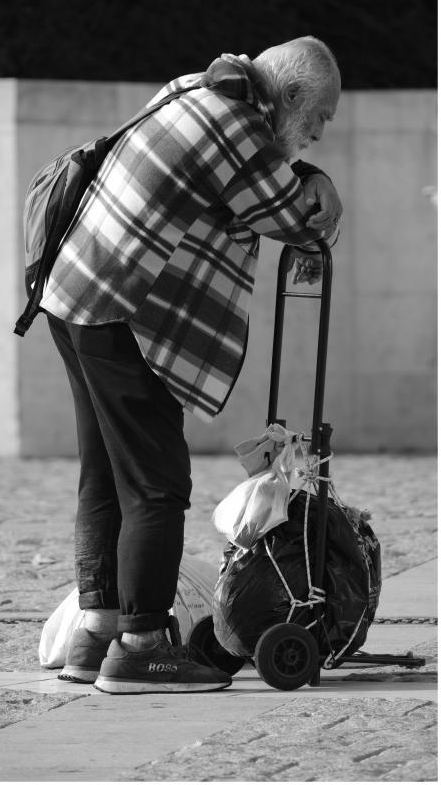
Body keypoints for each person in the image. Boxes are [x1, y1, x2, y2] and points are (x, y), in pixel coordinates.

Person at [39, 36, 343, 694]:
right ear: (288, 95)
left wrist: (306, 178)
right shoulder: (239, 128)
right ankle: (142, 647)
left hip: (76, 294)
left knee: (107, 472)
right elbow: (298, 220)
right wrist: (320, 189)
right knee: (157, 483)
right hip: (121, 308)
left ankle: (97, 632)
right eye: (319, 116)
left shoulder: (197, 87)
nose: (318, 133)